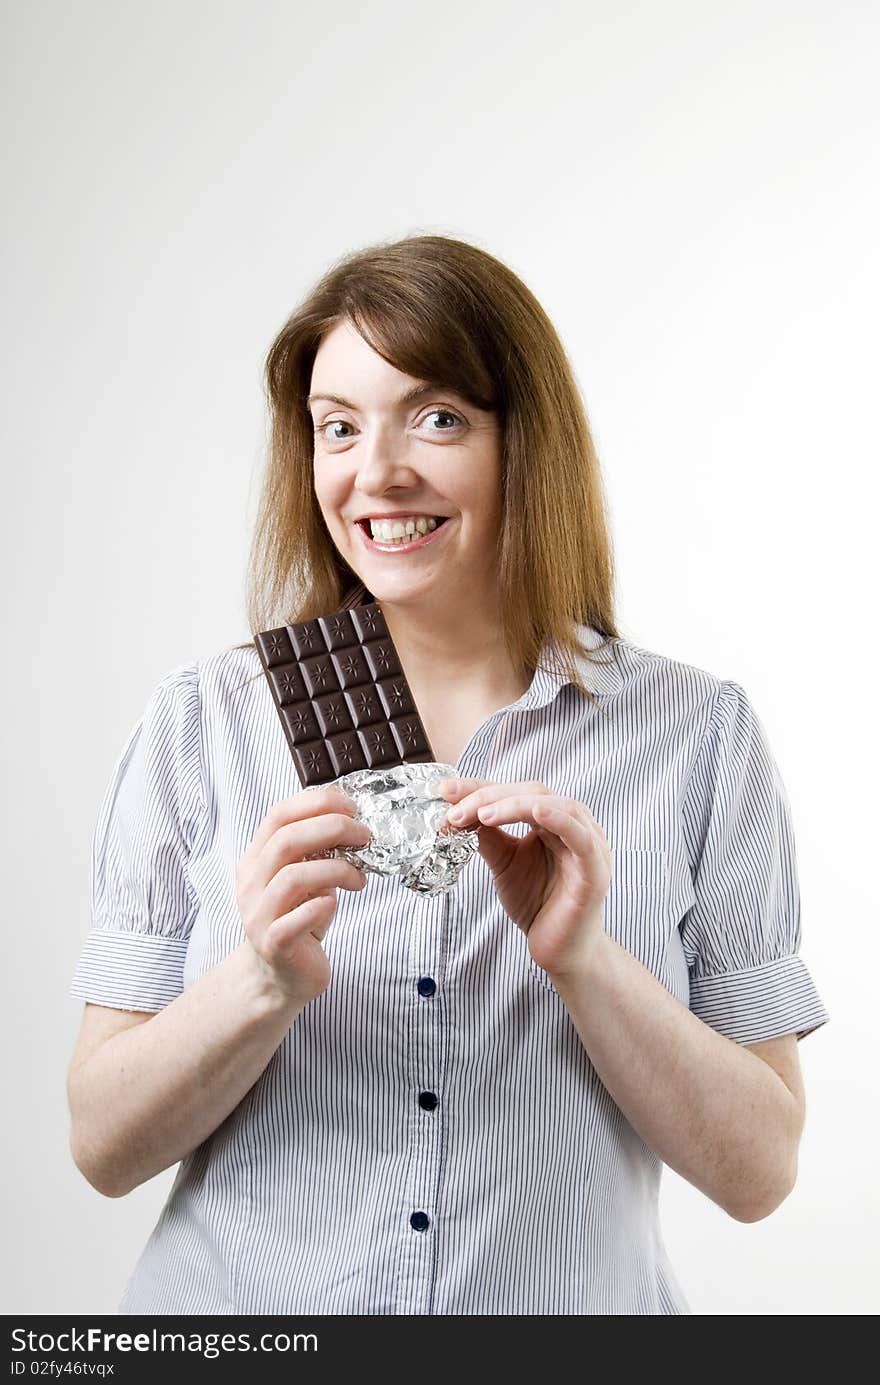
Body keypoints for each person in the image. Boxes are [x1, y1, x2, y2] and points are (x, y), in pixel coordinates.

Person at [67, 234, 830, 1316]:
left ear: (528, 441)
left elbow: (759, 1173)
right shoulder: (205, 721)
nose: (374, 472)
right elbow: (101, 1144)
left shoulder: (694, 735)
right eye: (336, 427)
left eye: (437, 418)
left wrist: (584, 961)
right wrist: (260, 982)